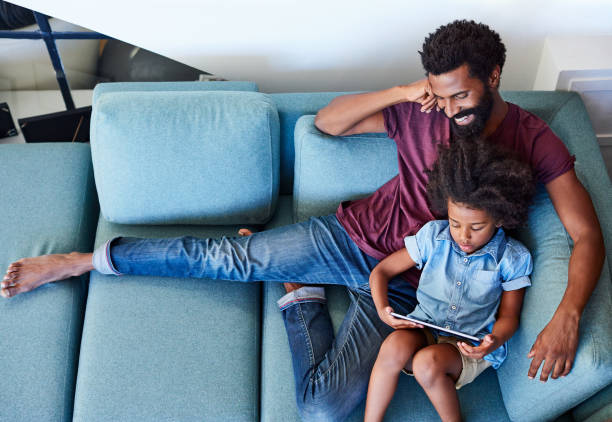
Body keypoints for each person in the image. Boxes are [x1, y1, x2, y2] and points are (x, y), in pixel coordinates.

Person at [1, 20, 605, 421]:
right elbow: (326, 125)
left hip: (407, 289)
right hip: (349, 239)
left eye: (460, 98)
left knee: (323, 408)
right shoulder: (419, 109)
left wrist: (567, 315)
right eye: (438, 95)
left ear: (494, 78)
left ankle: (304, 299)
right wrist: (401, 92)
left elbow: (584, 234)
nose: (448, 111)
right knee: (228, 262)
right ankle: (87, 260)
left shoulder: (534, 140)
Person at [364, 138, 535, 422]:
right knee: (392, 346)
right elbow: (380, 272)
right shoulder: (434, 237)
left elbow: (509, 317)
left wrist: (494, 341)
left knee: (426, 364)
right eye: (456, 223)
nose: (463, 236)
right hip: (425, 327)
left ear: (501, 219)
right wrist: (384, 311)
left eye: (476, 227)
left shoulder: (511, 258)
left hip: (466, 348)